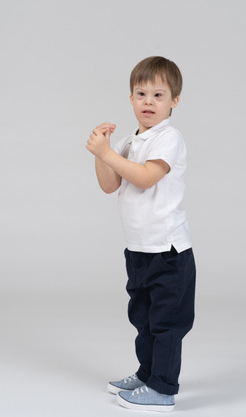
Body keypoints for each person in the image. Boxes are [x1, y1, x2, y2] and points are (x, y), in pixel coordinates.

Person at [86, 56, 196, 413]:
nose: (149, 101)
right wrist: (101, 154)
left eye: (158, 95)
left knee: (166, 322)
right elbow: (109, 184)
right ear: (131, 98)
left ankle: (163, 389)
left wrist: (108, 153)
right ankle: (148, 374)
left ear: (174, 102)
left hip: (168, 250)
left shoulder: (169, 137)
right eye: (141, 93)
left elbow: (146, 177)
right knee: (143, 318)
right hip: (139, 249)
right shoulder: (131, 140)